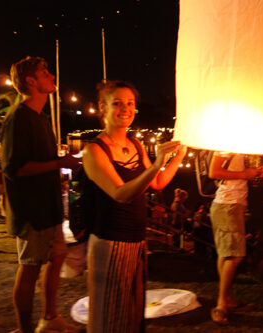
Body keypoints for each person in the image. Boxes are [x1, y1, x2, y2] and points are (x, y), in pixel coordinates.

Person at [82, 80, 186, 333]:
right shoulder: (94, 150)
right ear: (103, 109)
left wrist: (176, 159)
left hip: (137, 240)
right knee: (109, 317)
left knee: (131, 312)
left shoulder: (136, 145)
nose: (125, 109)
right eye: (117, 103)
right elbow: (120, 194)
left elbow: (158, 182)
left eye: (130, 103)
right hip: (110, 241)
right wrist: (155, 163)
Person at [2, 56, 82, 333]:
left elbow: (42, 159)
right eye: (44, 72)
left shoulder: (40, 116)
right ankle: (24, 329)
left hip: (49, 207)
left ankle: (49, 318)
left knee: (56, 258)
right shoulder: (18, 117)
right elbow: (16, 168)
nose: (51, 76)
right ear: (30, 81)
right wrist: (61, 163)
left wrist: (62, 160)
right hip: (31, 211)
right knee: (30, 267)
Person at [208, 152, 263, 324]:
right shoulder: (225, 143)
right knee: (236, 255)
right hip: (228, 205)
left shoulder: (238, 143)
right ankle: (221, 304)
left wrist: (256, 172)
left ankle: (228, 299)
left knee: (225, 254)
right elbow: (214, 171)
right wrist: (244, 175)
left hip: (228, 205)